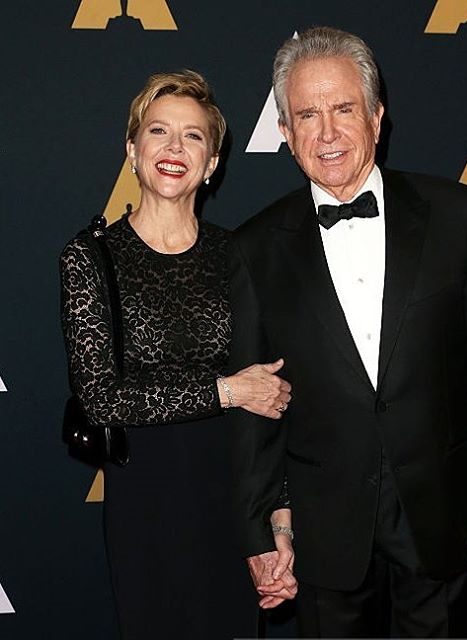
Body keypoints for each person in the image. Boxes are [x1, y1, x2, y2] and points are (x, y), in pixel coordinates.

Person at [229, 27, 467, 638]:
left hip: (442, 510)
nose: (327, 133)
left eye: (343, 109)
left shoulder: (456, 214)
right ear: (284, 131)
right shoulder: (255, 247)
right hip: (324, 525)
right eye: (306, 115)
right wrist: (262, 527)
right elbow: (258, 403)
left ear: (376, 115)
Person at [60, 70, 293, 640]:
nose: (174, 147)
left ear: (211, 162)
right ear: (132, 150)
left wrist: (279, 519)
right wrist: (227, 390)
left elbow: (270, 396)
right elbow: (102, 400)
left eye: (193, 136)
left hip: (233, 497)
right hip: (146, 499)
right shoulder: (91, 258)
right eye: (158, 131)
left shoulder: (238, 254)